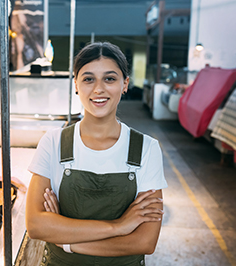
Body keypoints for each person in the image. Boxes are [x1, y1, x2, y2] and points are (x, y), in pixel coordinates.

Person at [26, 42, 168, 266]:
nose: (98, 89)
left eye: (109, 78)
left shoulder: (146, 149)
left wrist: (66, 240)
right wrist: (119, 227)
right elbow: (36, 225)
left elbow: (144, 242)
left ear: (125, 84)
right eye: (88, 79)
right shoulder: (53, 143)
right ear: (76, 85)